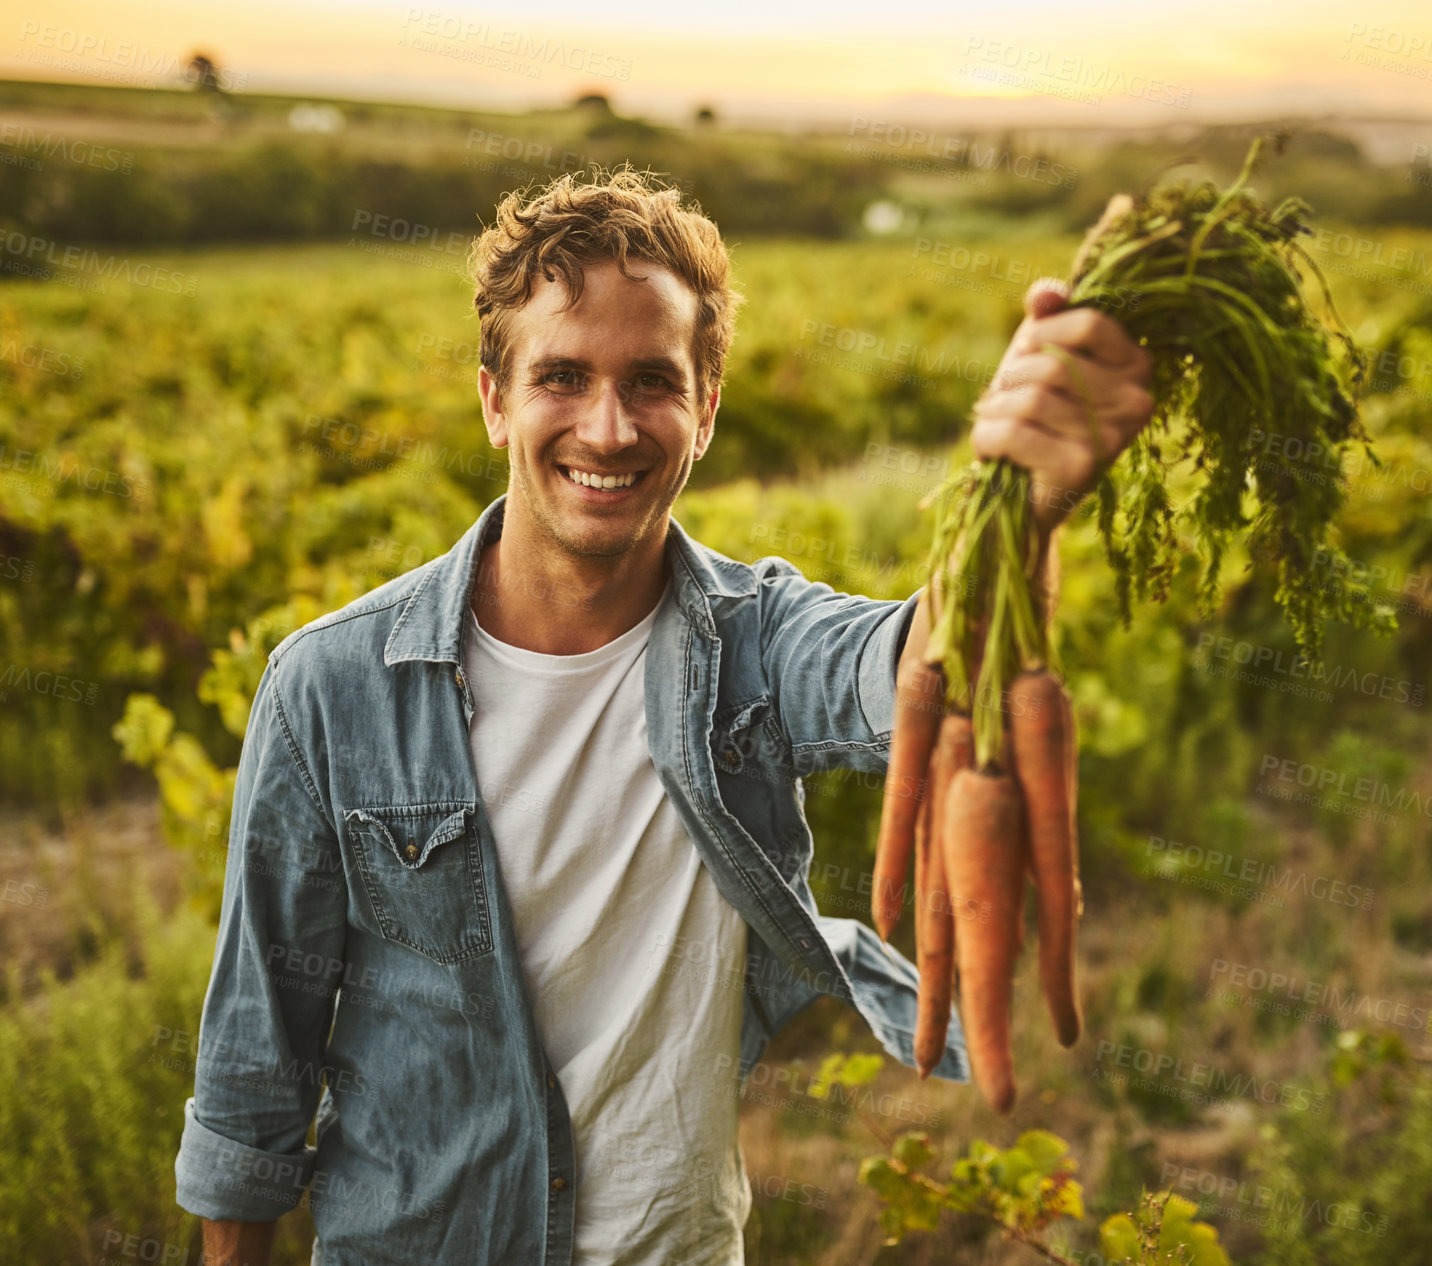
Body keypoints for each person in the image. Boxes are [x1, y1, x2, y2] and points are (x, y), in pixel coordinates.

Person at [174, 168, 1154, 1266]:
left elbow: (935, 667)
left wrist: (1022, 502)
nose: (608, 427)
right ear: (494, 397)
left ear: (708, 409)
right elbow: (256, 1059)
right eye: (561, 376)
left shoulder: (758, 641)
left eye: (652, 380)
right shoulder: (332, 687)